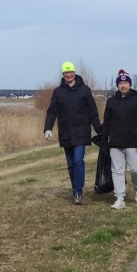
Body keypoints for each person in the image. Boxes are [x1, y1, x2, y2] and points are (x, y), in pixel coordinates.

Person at [44, 61, 102, 205]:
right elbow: (52, 111)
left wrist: (99, 130)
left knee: (77, 160)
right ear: (63, 75)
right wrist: (48, 128)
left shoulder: (84, 90)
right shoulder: (58, 92)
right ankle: (76, 188)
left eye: (70, 72)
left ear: (74, 73)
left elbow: (92, 112)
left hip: (81, 132)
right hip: (66, 132)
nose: (68, 74)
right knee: (70, 164)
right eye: (65, 72)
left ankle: (77, 192)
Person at [101, 69, 137, 210]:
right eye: (120, 83)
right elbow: (107, 122)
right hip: (115, 142)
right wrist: (104, 140)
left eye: (125, 83)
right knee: (117, 170)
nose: (123, 85)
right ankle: (120, 198)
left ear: (129, 84)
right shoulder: (111, 101)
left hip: (132, 141)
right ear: (117, 85)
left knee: (136, 170)